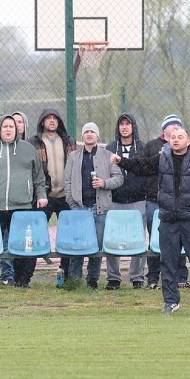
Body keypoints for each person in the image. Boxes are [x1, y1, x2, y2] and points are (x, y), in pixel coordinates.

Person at [114, 127, 190, 314]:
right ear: (168, 140)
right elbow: (141, 166)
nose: (176, 140)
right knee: (167, 263)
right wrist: (122, 162)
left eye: (180, 137)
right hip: (169, 219)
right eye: (173, 137)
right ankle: (171, 301)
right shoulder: (162, 158)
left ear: (188, 141)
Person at [0, 115, 47, 288]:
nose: (8, 129)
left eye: (11, 126)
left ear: (17, 129)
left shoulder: (28, 149)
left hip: (21, 206)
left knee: (22, 245)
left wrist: (41, 194)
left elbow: (39, 178)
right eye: (5, 126)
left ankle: (22, 281)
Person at [63, 122, 123, 288]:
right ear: (82, 136)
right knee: (77, 245)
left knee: (96, 247)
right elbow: (67, 181)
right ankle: (74, 280)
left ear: (98, 136)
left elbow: (119, 178)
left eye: (92, 132)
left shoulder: (107, 155)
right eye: (86, 132)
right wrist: (72, 203)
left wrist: (104, 183)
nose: (89, 134)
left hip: (100, 208)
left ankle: (92, 280)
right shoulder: (73, 157)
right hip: (79, 208)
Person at [28, 108, 77, 285]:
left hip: (66, 195)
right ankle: (26, 276)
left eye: (55, 118)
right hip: (44, 195)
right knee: (35, 235)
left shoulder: (69, 141)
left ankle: (66, 274)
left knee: (68, 237)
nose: (51, 121)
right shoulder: (34, 143)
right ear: (42, 121)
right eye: (48, 118)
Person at [143, 115, 190, 291]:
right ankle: (153, 276)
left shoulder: (187, 149)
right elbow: (144, 168)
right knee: (155, 240)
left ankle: (181, 277)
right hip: (154, 201)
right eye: (173, 126)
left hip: (179, 203)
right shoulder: (151, 146)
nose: (177, 128)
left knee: (180, 239)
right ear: (165, 130)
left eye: (179, 126)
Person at [104, 113, 148, 289]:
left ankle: (137, 277)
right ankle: (113, 277)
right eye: (121, 124)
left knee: (138, 239)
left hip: (138, 200)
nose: (124, 127)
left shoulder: (143, 148)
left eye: (127, 124)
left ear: (133, 127)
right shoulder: (110, 148)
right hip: (115, 200)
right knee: (112, 238)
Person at [0, 109, 32, 285]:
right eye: (10, 124)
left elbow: (37, 174)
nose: (15, 126)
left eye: (19, 123)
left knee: (21, 240)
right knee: (3, 240)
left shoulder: (29, 148)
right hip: (0, 203)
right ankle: (6, 275)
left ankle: (21, 278)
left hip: (23, 202)